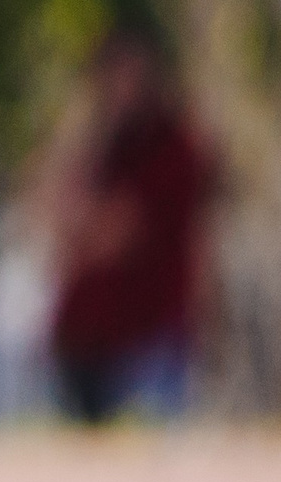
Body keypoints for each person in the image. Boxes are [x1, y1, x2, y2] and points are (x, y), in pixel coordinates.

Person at [31, 23, 220, 424]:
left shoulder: (172, 147)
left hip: (146, 349)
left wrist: (77, 221)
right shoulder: (104, 146)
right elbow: (45, 211)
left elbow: (112, 235)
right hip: (84, 343)